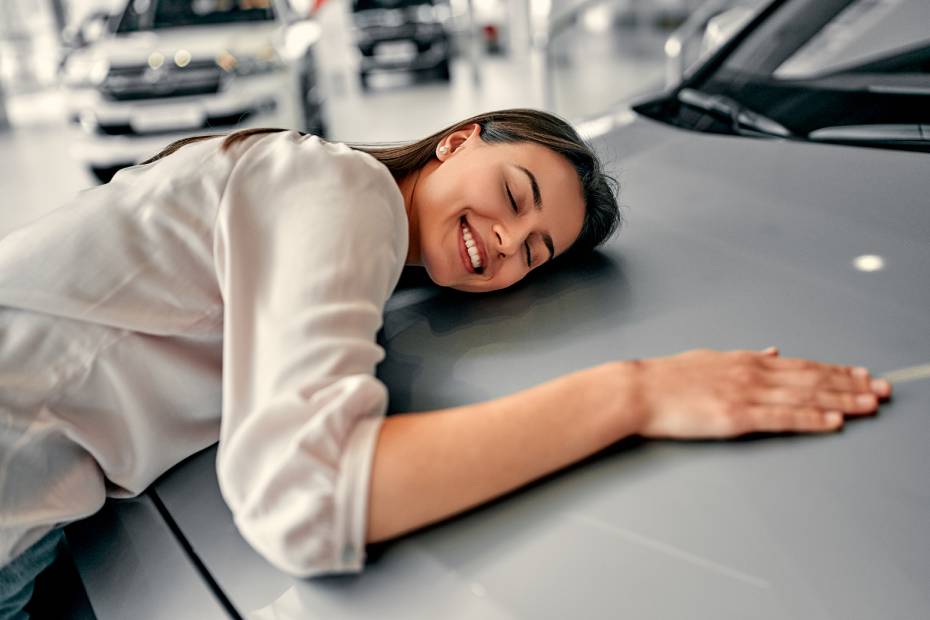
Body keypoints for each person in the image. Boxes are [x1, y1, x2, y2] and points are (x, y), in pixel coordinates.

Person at [0, 108, 890, 617]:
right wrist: (637, 391)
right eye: (515, 195)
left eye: (532, 253)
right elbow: (304, 502)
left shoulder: (338, 225)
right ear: (459, 139)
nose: (505, 240)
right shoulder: (343, 188)